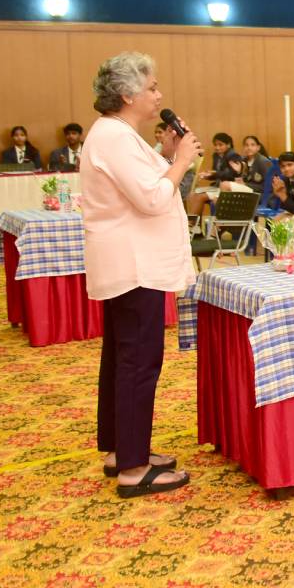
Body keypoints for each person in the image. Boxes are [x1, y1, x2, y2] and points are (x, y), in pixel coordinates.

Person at [80, 52, 197, 498]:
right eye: (151, 87)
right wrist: (183, 158)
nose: (159, 95)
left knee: (121, 357)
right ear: (128, 94)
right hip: (135, 265)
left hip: (133, 262)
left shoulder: (120, 135)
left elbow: (150, 182)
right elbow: (152, 199)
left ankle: (121, 449)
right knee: (137, 362)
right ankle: (133, 468)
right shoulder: (113, 137)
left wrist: (168, 153)